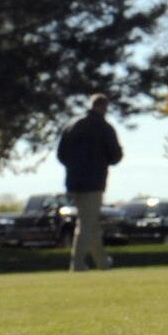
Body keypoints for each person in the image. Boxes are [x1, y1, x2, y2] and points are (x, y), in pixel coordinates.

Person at [56, 92, 123, 272]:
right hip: (94, 182)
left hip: (73, 182)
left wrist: (73, 167)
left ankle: (103, 263)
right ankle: (77, 264)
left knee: (90, 223)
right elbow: (116, 156)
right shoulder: (104, 127)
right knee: (86, 224)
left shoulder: (71, 125)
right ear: (103, 107)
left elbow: (60, 155)